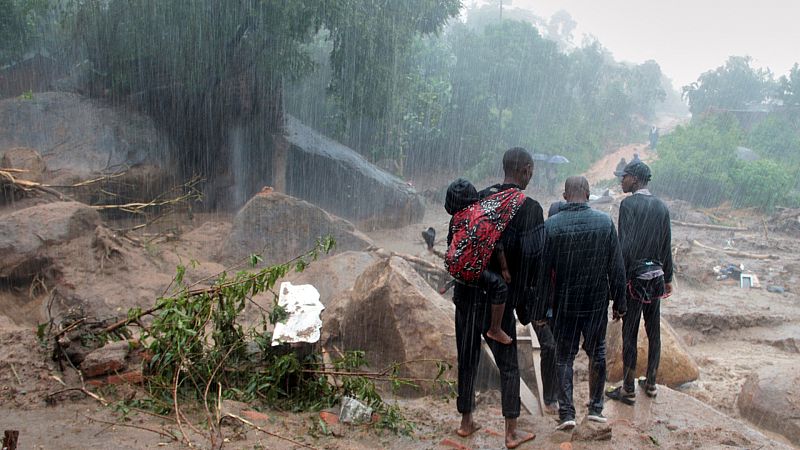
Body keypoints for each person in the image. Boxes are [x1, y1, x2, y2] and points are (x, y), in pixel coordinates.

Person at [453, 147, 544, 449]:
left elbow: (460, 240)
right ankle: (511, 432)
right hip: (498, 302)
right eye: (531, 172)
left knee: (467, 358)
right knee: (508, 365)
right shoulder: (529, 208)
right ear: (526, 170)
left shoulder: (480, 196)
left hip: (467, 292)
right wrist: (526, 305)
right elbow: (532, 261)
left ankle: (466, 423)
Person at [536, 176, 627, 430]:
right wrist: (620, 303)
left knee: (564, 356)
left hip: (565, 303)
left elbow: (544, 274)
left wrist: (541, 310)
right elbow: (617, 269)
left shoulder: (551, 226)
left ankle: (566, 414)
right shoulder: (604, 223)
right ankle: (596, 408)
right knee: (597, 352)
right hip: (596, 303)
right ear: (588, 194)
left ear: (565, 196)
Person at [606, 161, 673, 403]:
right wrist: (669, 278)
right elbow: (666, 245)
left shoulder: (629, 204)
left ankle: (628, 387)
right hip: (656, 277)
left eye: (623, 177)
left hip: (634, 279)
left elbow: (626, 246)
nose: (620, 181)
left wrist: (618, 284)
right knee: (654, 332)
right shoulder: (661, 207)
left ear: (634, 179)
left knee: (630, 333)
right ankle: (652, 383)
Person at [445, 178, 514, 345]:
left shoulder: (456, 219)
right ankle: (495, 329)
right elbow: (497, 244)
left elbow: (450, 243)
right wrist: (504, 268)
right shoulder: (482, 216)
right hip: (474, 275)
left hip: (456, 271)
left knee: (467, 352)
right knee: (500, 287)